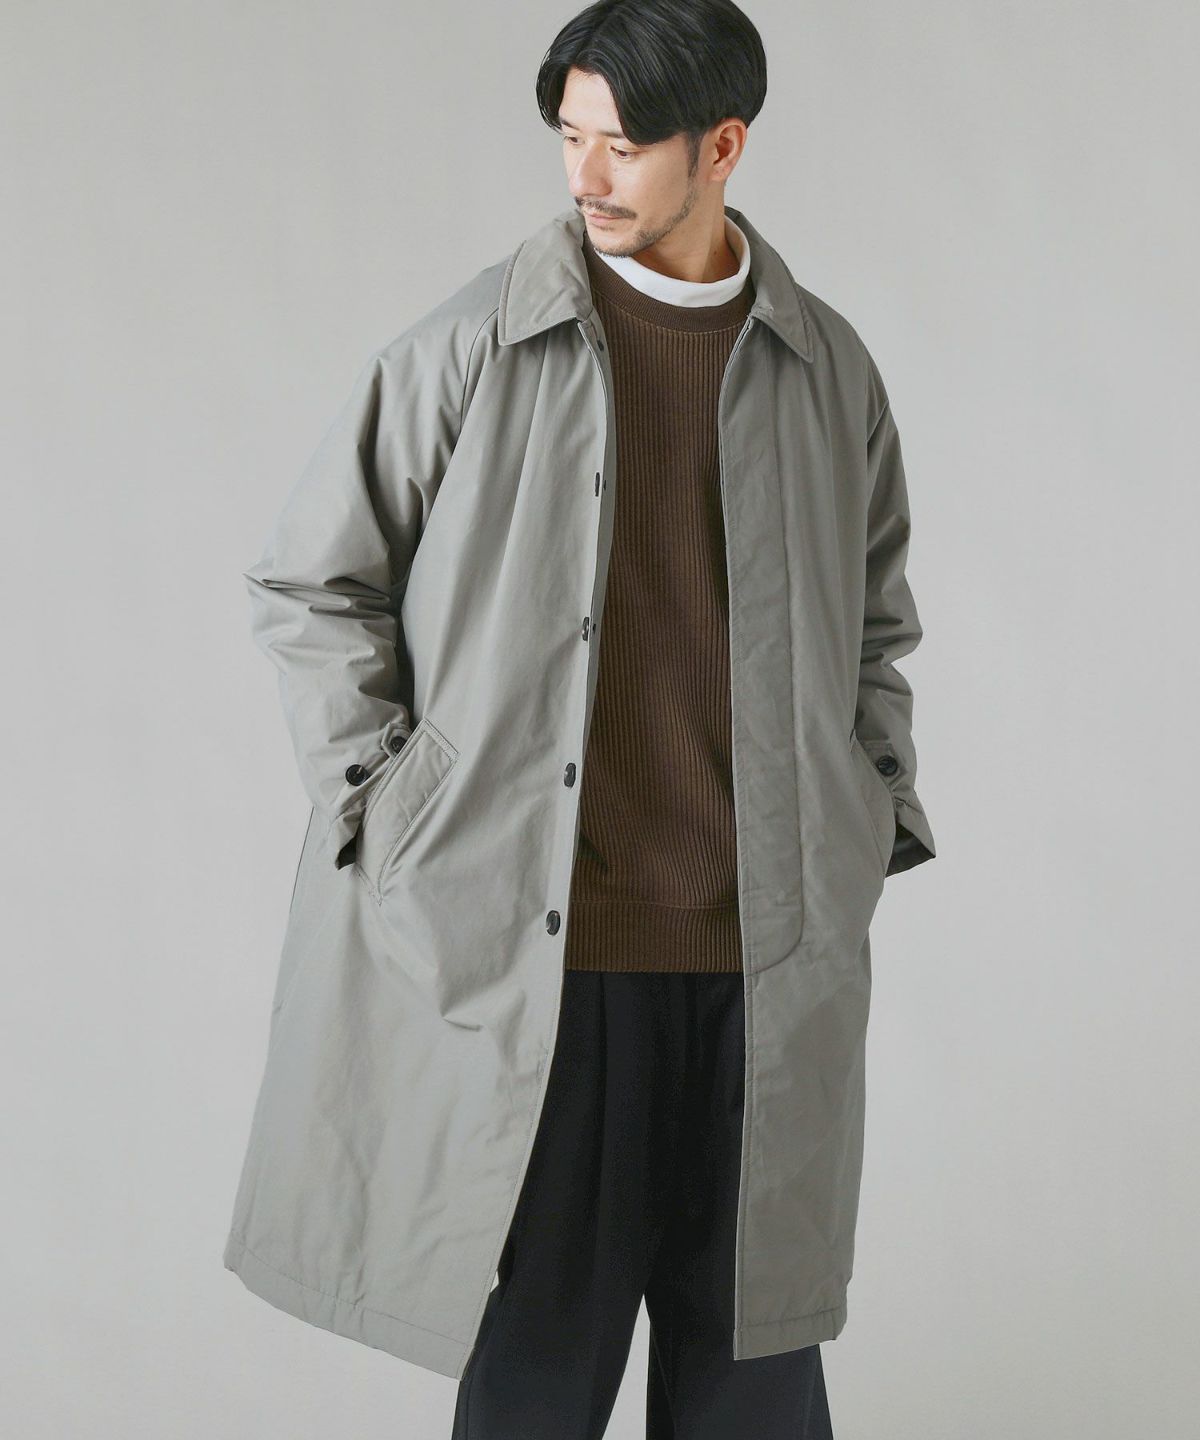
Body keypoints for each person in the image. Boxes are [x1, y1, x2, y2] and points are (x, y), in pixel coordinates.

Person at [224, 2, 936, 1435]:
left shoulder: (826, 369)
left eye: (623, 145)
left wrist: (870, 808)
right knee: (535, 1386)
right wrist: (388, 802)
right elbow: (313, 581)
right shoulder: (479, 345)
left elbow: (875, 626)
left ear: (721, 148)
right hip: (550, 969)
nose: (586, 175)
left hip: (761, 967)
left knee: (754, 1391)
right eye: (570, 138)